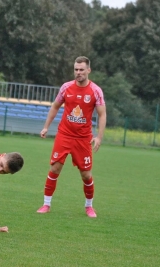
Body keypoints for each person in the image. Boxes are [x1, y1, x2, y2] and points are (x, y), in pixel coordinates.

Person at [35, 56, 106, 218]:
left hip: (83, 138)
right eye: (76, 69)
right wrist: (46, 127)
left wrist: (99, 137)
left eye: (81, 69)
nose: (78, 72)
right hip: (64, 135)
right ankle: (46, 204)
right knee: (55, 168)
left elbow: (102, 115)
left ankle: (89, 207)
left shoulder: (96, 91)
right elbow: (55, 106)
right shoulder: (66, 87)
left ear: (89, 70)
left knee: (86, 174)